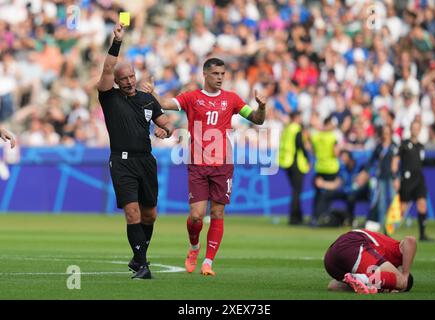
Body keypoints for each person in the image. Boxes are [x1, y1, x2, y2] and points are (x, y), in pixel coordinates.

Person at [144, 57, 267, 276]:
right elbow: (164, 104)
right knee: (196, 216)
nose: (220, 77)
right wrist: (153, 93)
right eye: (215, 74)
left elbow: (257, 120)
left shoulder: (232, 99)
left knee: (218, 213)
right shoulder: (192, 97)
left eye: (222, 74)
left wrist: (262, 107)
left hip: (223, 164)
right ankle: (194, 248)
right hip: (198, 164)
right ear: (205, 74)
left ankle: (208, 262)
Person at [96, 23, 174, 280]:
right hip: (122, 162)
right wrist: (116, 42)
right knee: (132, 212)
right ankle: (143, 265)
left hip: (146, 161)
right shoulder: (109, 97)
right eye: (123, 79)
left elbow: (167, 125)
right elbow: (107, 68)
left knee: (150, 214)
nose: (129, 82)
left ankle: (138, 257)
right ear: (116, 82)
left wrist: (165, 131)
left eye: (131, 77)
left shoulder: (148, 99)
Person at [324, 229, 417, 294]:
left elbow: (333, 285)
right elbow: (410, 240)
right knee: (401, 282)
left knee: (343, 283)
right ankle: (361, 278)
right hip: (354, 243)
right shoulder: (397, 255)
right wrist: (405, 274)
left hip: (331, 260)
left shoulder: (377, 277)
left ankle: (360, 278)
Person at [392, 120, 433, 242]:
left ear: (420, 130)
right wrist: (395, 177)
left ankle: (422, 234)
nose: (415, 130)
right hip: (407, 179)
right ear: (410, 129)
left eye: (417, 128)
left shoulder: (420, 146)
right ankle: (387, 230)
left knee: (422, 205)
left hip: (419, 179)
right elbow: (395, 161)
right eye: (413, 127)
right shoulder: (404, 144)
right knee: (402, 208)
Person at [278, 111, 310, 225]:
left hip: (286, 162)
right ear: (296, 118)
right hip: (295, 162)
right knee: (297, 191)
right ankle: (294, 218)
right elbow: (300, 145)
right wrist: (307, 158)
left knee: (295, 191)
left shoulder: (287, 128)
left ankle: (298, 216)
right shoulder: (296, 128)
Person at [364, 126, 398, 230]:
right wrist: (366, 170)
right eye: (384, 133)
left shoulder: (394, 146)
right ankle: (382, 222)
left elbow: (397, 162)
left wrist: (396, 177)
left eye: (387, 133)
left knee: (393, 200)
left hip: (392, 176)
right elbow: (371, 160)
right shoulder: (379, 147)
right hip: (381, 176)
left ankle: (393, 224)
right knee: (381, 201)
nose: (386, 135)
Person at [309, 115, 340, 226]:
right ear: (328, 124)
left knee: (318, 194)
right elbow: (335, 153)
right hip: (331, 168)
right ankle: (324, 217)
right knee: (328, 195)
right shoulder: (332, 137)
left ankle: (315, 217)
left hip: (320, 167)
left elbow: (312, 150)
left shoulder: (316, 136)